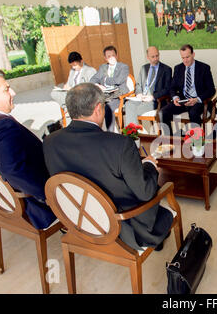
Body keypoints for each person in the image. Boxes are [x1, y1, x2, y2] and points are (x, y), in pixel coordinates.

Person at [43, 83, 173, 251]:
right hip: (122, 227)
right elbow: (145, 192)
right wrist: (148, 165)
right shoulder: (120, 144)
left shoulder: (50, 142)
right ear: (98, 109)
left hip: (79, 220)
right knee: (162, 205)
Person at [0, 67, 56, 229]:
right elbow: (13, 170)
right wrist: (50, 196)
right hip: (29, 206)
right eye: (6, 89)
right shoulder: (1, 125)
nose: (13, 93)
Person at [160, 44, 215, 135]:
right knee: (162, 112)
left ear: (193, 54)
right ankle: (169, 139)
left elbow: (211, 89)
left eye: (187, 57)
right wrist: (175, 97)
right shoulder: (178, 68)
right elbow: (172, 87)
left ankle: (195, 141)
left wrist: (197, 99)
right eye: (183, 58)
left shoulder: (204, 68)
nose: (185, 60)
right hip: (183, 100)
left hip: (197, 100)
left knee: (193, 113)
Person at [124, 46, 172, 126]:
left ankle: (132, 134)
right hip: (141, 97)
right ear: (148, 57)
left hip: (154, 100)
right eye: (153, 57)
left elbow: (167, 89)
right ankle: (134, 133)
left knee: (133, 111)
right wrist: (139, 94)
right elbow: (138, 84)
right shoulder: (144, 68)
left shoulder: (166, 69)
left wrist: (152, 97)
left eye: (157, 55)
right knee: (128, 104)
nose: (156, 58)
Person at [90, 45, 130, 132]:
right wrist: (97, 85)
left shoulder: (123, 67)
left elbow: (118, 80)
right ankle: (96, 132)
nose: (111, 58)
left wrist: (104, 80)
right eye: (109, 56)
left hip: (118, 96)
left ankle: (110, 133)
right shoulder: (103, 67)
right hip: (105, 95)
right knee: (92, 106)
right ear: (105, 58)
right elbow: (92, 79)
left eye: (113, 55)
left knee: (107, 107)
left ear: (117, 55)